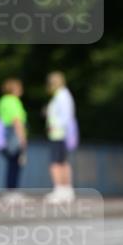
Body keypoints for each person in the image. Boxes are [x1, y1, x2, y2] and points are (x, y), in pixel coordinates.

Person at [44, 71, 78, 203]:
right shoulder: (63, 95)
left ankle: (59, 190)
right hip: (62, 133)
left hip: (58, 133)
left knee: (55, 163)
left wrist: (55, 126)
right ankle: (66, 190)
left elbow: (65, 116)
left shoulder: (61, 96)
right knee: (63, 162)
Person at [0, 78, 28, 194]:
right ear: (14, 89)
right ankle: (12, 191)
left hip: (4, 136)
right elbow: (17, 120)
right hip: (13, 134)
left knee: (11, 163)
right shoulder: (14, 101)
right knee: (15, 164)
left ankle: (10, 190)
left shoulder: (2, 101)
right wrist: (22, 139)